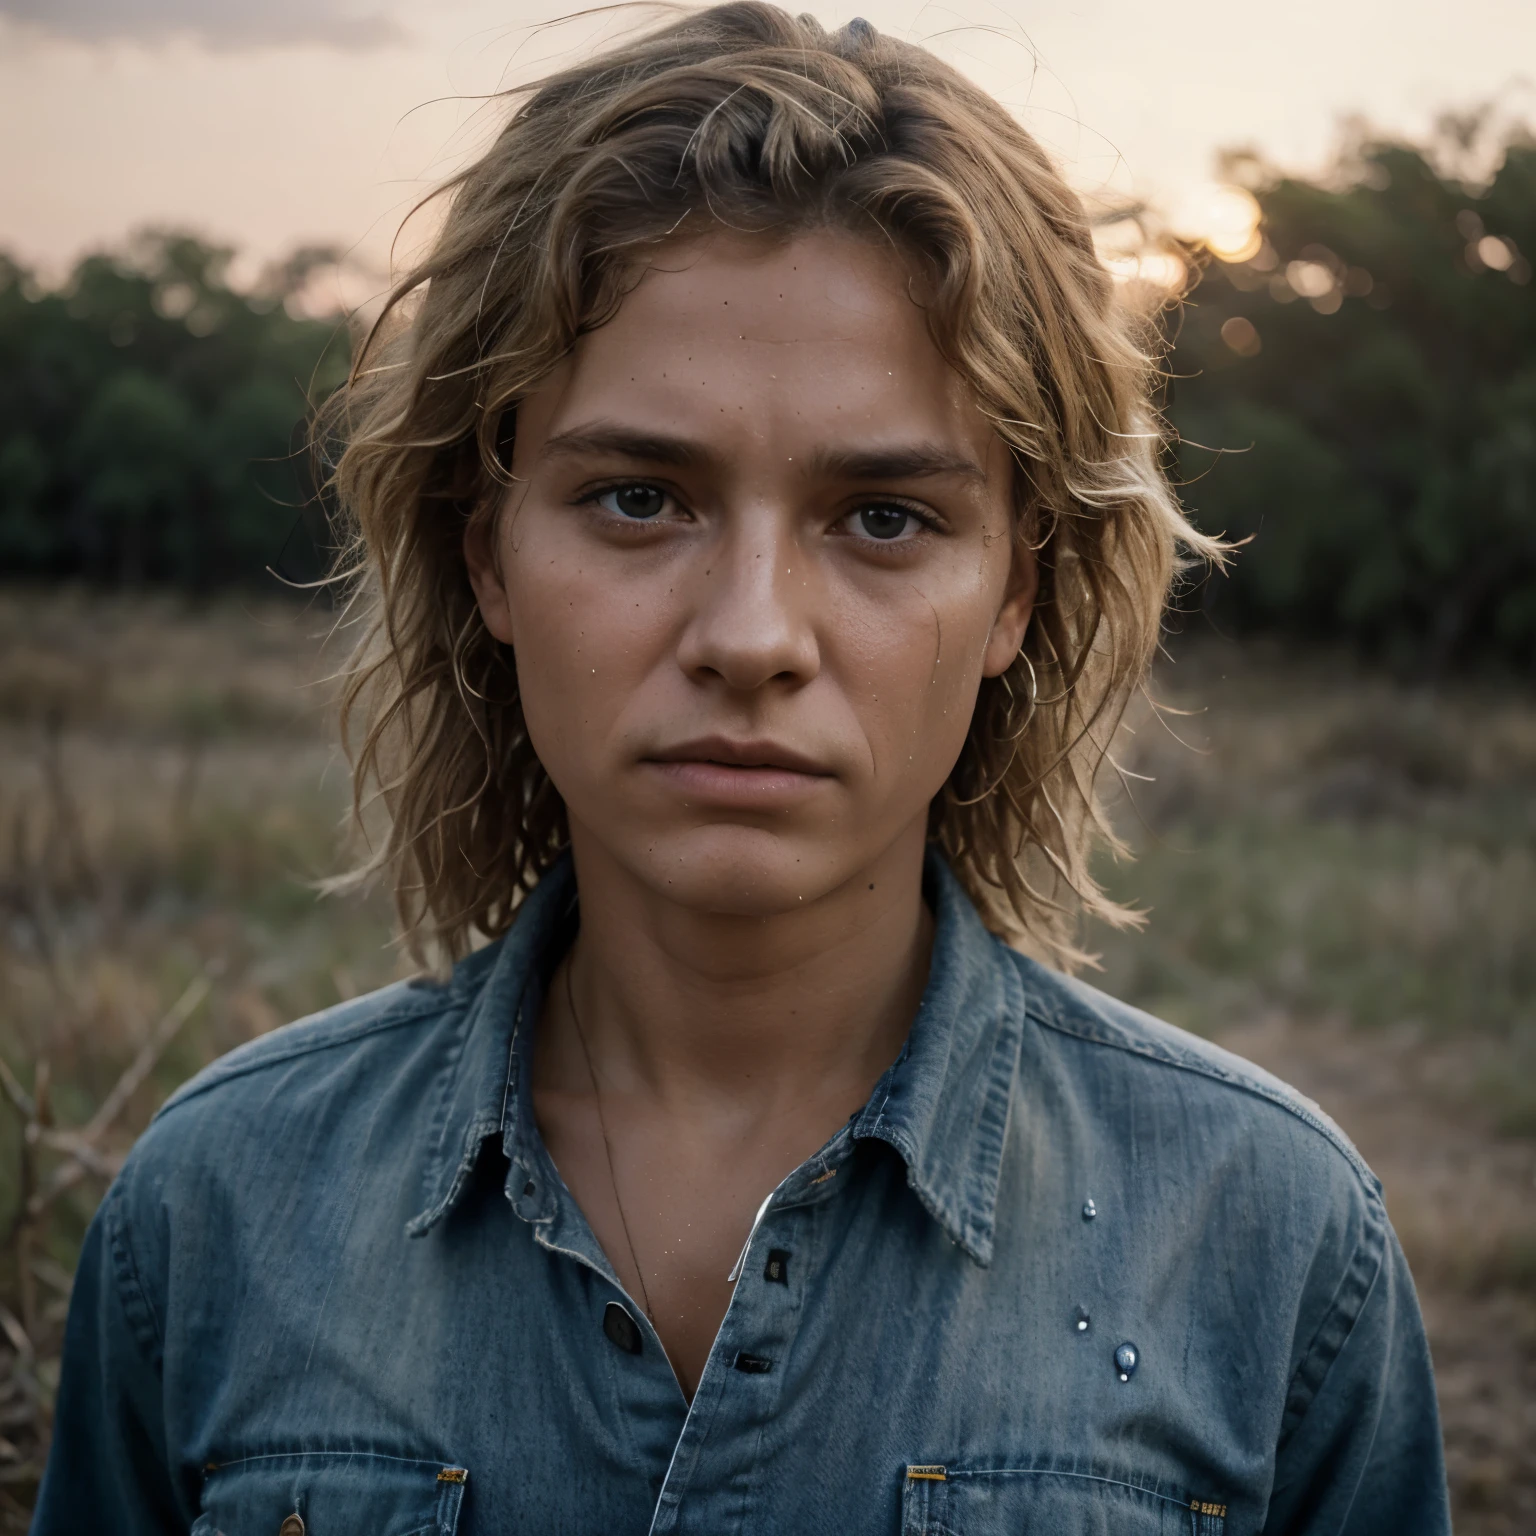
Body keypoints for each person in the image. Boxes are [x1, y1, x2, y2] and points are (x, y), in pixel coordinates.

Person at [36, 6, 1449, 1532]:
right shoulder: (222, 1210)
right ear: (490, 554)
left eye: (885, 518)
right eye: (640, 497)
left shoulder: (1268, 1238)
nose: (753, 635)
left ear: (1018, 592)